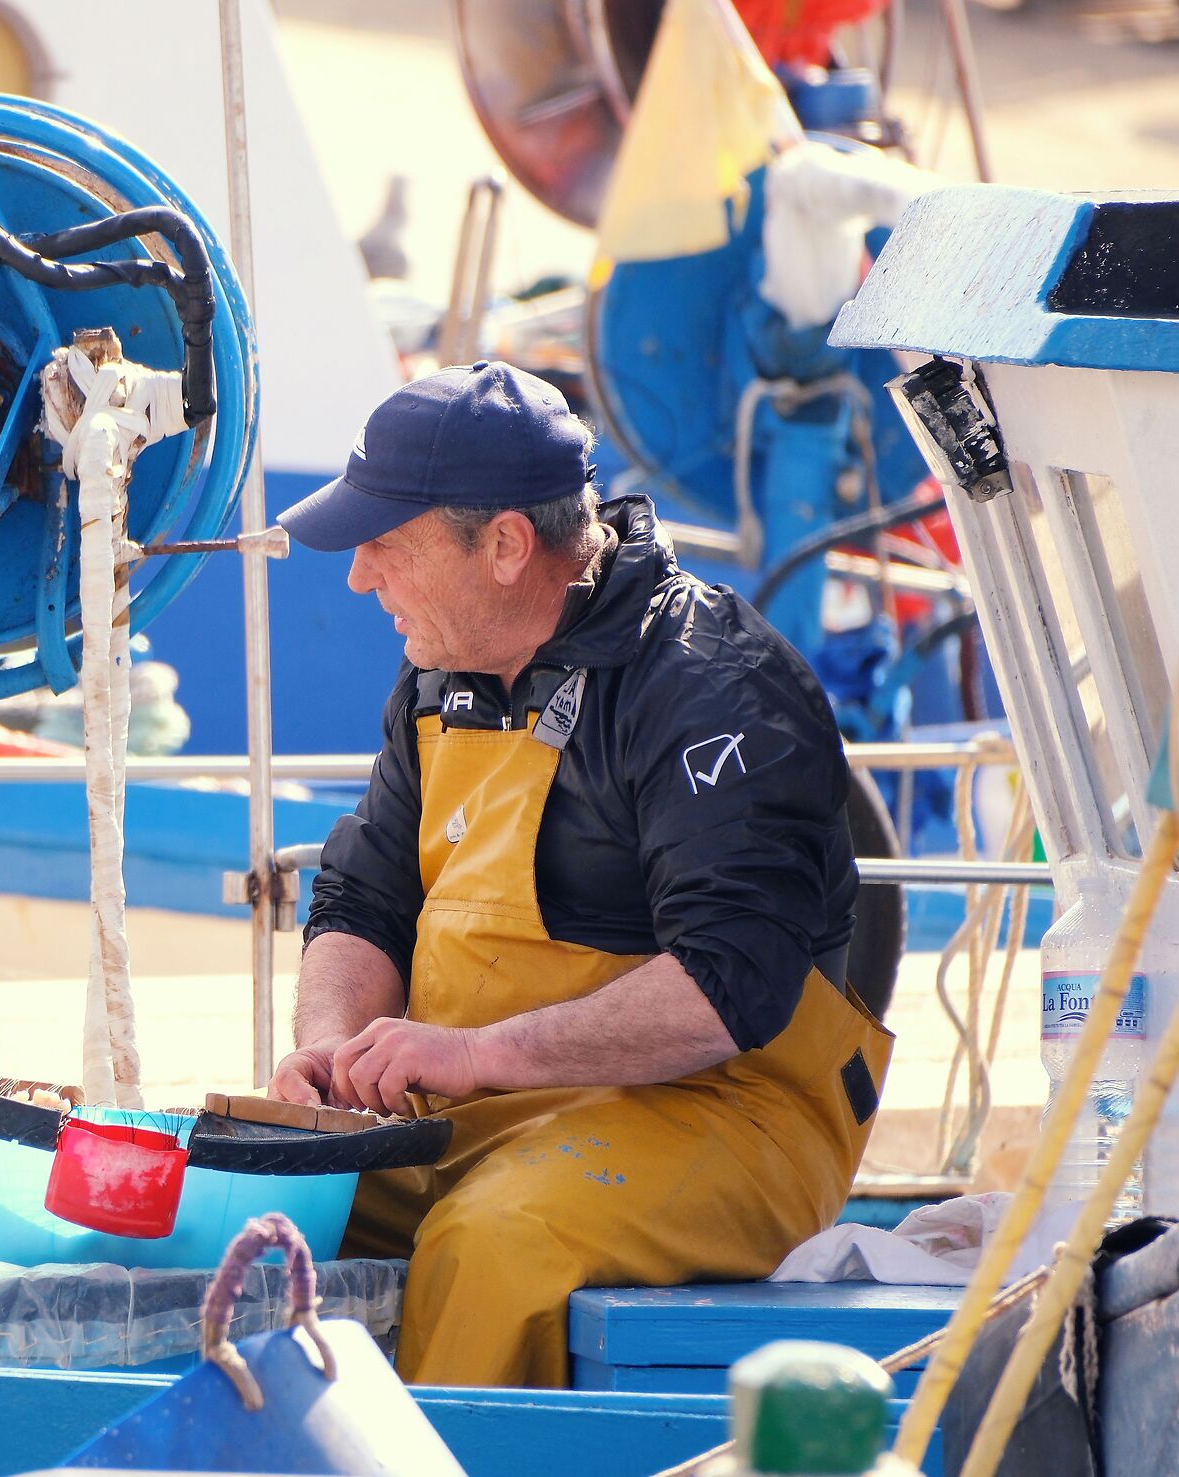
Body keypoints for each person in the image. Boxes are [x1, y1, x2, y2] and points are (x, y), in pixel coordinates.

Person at [269, 361, 891, 1388]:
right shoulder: (438, 672)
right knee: (255, 1199)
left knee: (495, 1244)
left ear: (506, 545)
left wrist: (474, 1053)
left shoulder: (710, 683)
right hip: (476, 1098)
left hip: (729, 1112)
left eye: (387, 543)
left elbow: (731, 983)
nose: (357, 575)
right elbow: (363, 900)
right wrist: (327, 1054)